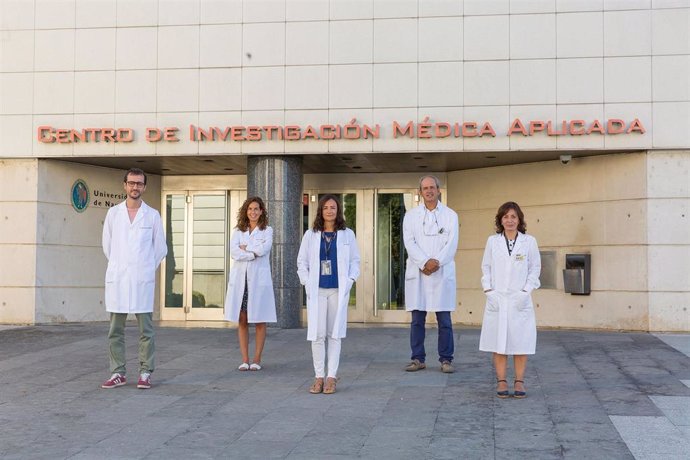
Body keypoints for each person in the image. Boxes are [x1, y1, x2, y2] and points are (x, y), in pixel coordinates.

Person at [101, 168, 167, 389]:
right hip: (119, 278)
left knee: (146, 330)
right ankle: (117, 372)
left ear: (144, 187)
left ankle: (145, 372)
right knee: (115, 330)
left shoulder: (153, 215)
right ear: (125, 185)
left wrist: (145, 268)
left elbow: (160, 248)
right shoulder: (113, 214)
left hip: (142, 279)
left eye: (139, 183)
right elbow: (107, 246)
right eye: (131, 183)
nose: (135, 187)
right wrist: (121, 266)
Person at [297, 195, 360, 394]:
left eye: (333, 207)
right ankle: (318, 377)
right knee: (317, 335)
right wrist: (306, 281)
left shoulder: (347, 234)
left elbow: (355, 262)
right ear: (320, 211)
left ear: (338, 210)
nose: (330, 211)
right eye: (326, 207)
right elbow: (302, 262)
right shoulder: (311, 234)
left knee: (335, 335)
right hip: (317, 290)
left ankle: (331, 377)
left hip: (337, 290)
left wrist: (350, 280)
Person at [479, 201, 541, 399]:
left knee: (520, 341)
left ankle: (519, 381)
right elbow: (486, 267)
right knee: (499, 341)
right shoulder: (492, 241)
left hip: (519, 298)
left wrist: (525, 291)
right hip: (497, 297)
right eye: (506, 217)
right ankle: (502, 380)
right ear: (500, 220)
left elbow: (535, 268)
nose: (510, 220)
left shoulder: (529, 241)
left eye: (513, 217)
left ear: (519, 219)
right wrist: (488, 290)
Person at [403, 176, 459, 374]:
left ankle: (446, 359)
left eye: (432, 187)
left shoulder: (451, 215)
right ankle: (418, 358)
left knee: (444, 320)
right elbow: (409, 243)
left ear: (438, 190)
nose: (429, 191)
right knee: (417, 319)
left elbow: (451, 243)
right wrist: (423, 262)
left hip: (441, 273)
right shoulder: (410, 216)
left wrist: (436, 262)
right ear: (420, 192)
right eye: (425, 188)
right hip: (419, 273)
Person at [224, 197, 277, 371]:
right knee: (242, 319)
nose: (253, 212)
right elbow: (233, 252)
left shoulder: (267, 230)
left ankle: (256, 359)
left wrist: (246, 250)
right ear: (245, 212)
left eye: (256, 209)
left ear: (261, 211)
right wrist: (251, 253)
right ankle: (245, 359)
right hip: (242, 281)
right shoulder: (238, 231)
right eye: (250, 209)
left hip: (258, 281)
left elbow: (264, 249)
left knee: (260, 320)